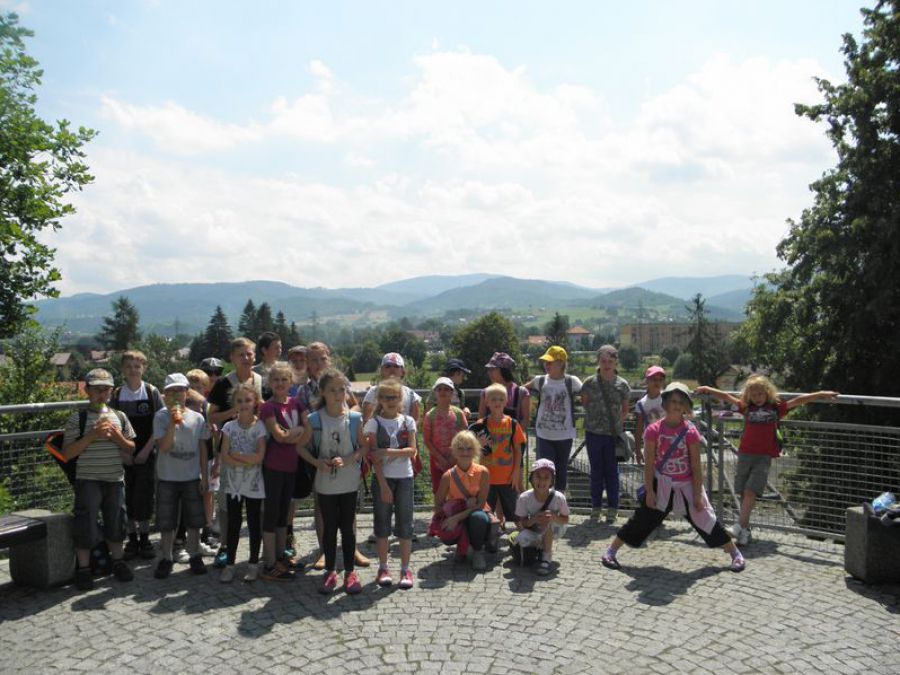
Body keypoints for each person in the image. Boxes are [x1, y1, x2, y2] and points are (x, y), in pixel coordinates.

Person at [600, 383, 746, 573]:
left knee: (706, 518)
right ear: (666, 403)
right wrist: (650, 491)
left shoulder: (690, 431)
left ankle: (735, 554)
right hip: (663, 483)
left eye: (681, 402)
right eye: (673, 401)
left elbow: (696, 466)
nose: (677, 405)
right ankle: (611, 551)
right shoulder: (653, 430)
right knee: (642, 518)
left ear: (686, 406)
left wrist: (697, 495)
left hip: (686, 484)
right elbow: (649, 463)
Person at [695, 377, 839, 545]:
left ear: (767, 393)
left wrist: (820, 394)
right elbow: (726, 397)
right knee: (743, 492)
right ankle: (745, 532)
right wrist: (708, 389)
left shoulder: (775, 408)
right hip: (745, 454)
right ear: (749, 395)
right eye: (754, 394)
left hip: (763, 457)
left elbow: (798, 400)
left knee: (751, 490)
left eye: (760, 394)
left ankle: (738, 526)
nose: (757, 397)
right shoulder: (746, 407)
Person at [292, 341, 368, 570]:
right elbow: (304, 421)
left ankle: (352, 548)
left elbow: (355, 406)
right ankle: (324, 550)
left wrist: (345, 417)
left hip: (346, 447)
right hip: (320, 450)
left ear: (329, 359)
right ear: (307, 363)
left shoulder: (341, 383)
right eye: (313, 359)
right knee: (321, 502)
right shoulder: (304, 390)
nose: (318, 363)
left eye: (322, 358)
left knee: (349, 502)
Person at [63, 369, 137, 591]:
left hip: (115, 478)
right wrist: (92, 435)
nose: (101, 394)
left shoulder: (120, 416)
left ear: (111, 392)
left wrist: (118, 437)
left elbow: (131, 448)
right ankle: (84, 569)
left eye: (105, 389)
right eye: (96, 389)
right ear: (87, 391)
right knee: (85, 522)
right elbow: (67, 454)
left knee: (116, 521)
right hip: (88, 479)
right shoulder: (78, 418)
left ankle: (118, 562)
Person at [299, 369, 365, 594]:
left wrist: (348, 459)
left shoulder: (354, 419)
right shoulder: (314, 420)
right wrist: (317, 463)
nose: (338, 394)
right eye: (332, 390)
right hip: (325, 483)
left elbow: (364, 447)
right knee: (329, 528)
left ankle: (350, 572)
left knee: (348, 528)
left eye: (341, 389)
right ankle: (329, 571)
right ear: (323, 393)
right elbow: (300, 447)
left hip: (349, 482)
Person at [206, 337, 263, 567]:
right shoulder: (223, 383)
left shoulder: (261, 380)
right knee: (228, 505)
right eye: (241, 355)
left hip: (256, 451)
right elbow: (211, 417)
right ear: (232, 358)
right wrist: (234, 411)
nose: (246, 358)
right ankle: (224, 547)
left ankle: (256, 554)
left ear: (255, 356)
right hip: (229, 451)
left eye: (249, 354)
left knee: (256, 504)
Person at [152, 373, 211, 579]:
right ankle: (166, 557)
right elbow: (164, 446)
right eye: (171, 391)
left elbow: (203, 448)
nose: (176, 395)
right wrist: (172, 422)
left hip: (191, 476)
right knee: (167, 521)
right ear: (165, 395)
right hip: (167, 477)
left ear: (187, 393)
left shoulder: (197, 418)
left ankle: (194, 555)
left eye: (180, 390)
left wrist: (205, 476)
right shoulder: (160, 417)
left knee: (194, 520)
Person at [365, 378, 418, 589]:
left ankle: (405, 569)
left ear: (400, 399)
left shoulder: (408, 421)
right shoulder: (373, 423)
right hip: (383, 479)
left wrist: (385, 451)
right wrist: (383, 485)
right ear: (380, 399)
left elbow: (412, 451)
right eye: (386, 397)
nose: (391, 401)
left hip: (405, 477)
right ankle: (383, 567)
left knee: (405, 524)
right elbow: (374, 458)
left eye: (394, 397)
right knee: (382, 523)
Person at [111, 350, 163, 561]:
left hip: (146, 453)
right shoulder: (116, 395)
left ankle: (145, 538)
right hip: (124, 454)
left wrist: (146, 450)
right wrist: (122, 452)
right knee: (128, 496)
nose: (133, 370)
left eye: (137, 366)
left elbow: (160, 424)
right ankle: (132, 539)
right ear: (122, 370)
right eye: (129, 366)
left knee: (145, 495)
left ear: (144, 368)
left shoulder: (151, 392)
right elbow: (111, 426)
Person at [259, 362, 307, 581]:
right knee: (271, 513)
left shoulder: (296, 403)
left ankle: (280, 557)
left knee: (283, 513)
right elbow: (279, 436)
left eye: (284, 379)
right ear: (270, 382)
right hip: (273, 467)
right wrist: (296, 432)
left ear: (291, 381)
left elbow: (307, 430)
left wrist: (292, 433)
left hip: (291, 466)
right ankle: (269, 564)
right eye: (276, 379)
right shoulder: (268, 407)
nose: (280, 383)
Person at [218, 383, 266, 582]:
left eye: (247, 400)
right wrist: (246, 459)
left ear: (255, 402)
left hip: (254, 483)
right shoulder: (229, 427)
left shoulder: (260, 427)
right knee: (234, 523)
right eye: (239, 401)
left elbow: (259, 457)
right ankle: (230, 564)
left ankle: (253, 564)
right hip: (234, 483)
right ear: (234, 403)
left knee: (254, 523)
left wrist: (237, 456)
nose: (244, 404)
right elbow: (224, 455)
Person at [580, 345, 631, 522]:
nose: (607, 364)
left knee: (612, 473)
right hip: (593, 433)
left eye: (610, 361)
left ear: (616, 362)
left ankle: (612, 508)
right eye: (603, 361)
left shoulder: (622, 385)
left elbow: (625, 410)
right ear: (598, 362)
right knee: (596, 472)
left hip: (612, 437)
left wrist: (615, 425)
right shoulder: (589, 383)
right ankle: (596, 507)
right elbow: (585, 403)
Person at [523, 346, 582, 492]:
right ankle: (543, 499)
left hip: (565, 435)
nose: (546, 365)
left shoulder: (572, 381)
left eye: (550, 362)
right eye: (546, 362)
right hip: (544, 435)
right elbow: (522, 390)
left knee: (561, 471)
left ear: (561, 363)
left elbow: (588, 395)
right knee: (544, 470)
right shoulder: (540, 380)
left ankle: (559, 500)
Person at [431, 431, 492, 571]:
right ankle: (462, 546)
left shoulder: (483, 472)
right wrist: (446, 518)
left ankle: (477, 551)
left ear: (475, 450)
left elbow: (481, 505)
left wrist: (456, 518)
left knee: (478, 518)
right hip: (456, 513)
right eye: (461, 448)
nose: (465, 452)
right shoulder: (447, 476)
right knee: (446, 530)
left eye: (469, 448)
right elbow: (438, 503)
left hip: (476, 513)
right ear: (454, 451)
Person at [471, 383, 525, 538]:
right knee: (486, 512)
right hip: (486, 479)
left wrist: (516, 472)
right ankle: (486, 538)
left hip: (508, 478)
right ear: (487, 402)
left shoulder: (512, 424)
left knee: (516, 512)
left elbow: (518, 450)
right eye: (493, 399)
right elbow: (473, 451)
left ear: (506, 401)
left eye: (501, 399)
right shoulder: (480, 425)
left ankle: (526, 538)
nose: (497, 402)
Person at [513, 458, 569, 576]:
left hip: (556, 529)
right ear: (531, 478)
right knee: (521, 539)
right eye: (538, 476)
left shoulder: (559, 497)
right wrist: (534, 519)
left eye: (546, 477)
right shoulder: (524, 498)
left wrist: (553, 517)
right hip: (535, 529)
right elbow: (522, 523)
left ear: (552, 481)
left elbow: (566, 519)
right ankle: (541, 547)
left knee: (547, 519)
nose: (542, 481)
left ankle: (546, 557)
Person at [422, 377, 468, 495]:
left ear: (452, 393)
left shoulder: (459, 413)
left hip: (457, 459)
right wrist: (440, 458)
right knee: (439, 491)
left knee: (457, 490)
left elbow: (464, 436)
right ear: (435, 393)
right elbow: (427, 440)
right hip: (437, 460)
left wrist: (454, 456)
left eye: (446, 389)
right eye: (439, 389)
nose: (442, 392)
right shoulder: (429, 415)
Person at [361, 352, 422, 422]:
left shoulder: (411, 395)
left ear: (402, 371)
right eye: (388, 366)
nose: (392, 369)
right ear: (381, 370)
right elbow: (366, 420)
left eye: (396, 366)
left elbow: (414, 422)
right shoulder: (373, 392)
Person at [478, 352, 530, 428]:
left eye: (492, 369)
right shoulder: (485, 392)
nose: (489, 372)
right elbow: (481, 418)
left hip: (514, 434)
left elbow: (525, 420)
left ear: (504, 371)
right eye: (489, 369)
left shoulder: (522, 393)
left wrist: (514, 433)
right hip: (489, 435)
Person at [634, 365, 667, 465]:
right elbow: (639, 429)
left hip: (668, 442)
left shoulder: (667, 399)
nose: (657, 382)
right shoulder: (641, 404)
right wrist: (638, 450)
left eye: (660, 380)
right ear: (647, 381)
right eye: (654, 379)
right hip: (650, 444)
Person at [254, 331, 282, 401]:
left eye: (280, 347)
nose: (279, 351)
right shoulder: (254, 372)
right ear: (264, 350)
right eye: (276, 348)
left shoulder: (285, 368)